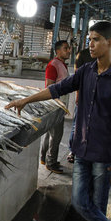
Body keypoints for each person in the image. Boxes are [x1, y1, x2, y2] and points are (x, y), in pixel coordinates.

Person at [5, 21, 111, 221]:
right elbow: (56, 88)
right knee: (80, 202)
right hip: (82, 151)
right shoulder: (86, 72)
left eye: (95, 39)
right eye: (89, 40)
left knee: (97, 205)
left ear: (109, 42)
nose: (90, 44)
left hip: (104, 153)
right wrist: (26, 100)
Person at [40, 40, 71, 174]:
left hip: (59, 105)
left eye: (69, 48)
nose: (69, 50)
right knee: (56, 135)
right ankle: (51, 162)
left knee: (50, 134)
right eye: (65, 48)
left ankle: (44, 158)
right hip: (55, 106)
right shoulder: (53, 65)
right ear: (58, 51)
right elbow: (49, 87)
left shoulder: (61, 64)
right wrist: (54, 105)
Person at [67, 48, 96, 163]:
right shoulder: (83, 56)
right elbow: (77, 78)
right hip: (84, 97)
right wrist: (78, 94)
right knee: (77, 124)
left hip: (94, 98)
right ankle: (73, 150)